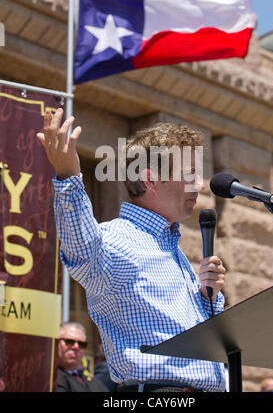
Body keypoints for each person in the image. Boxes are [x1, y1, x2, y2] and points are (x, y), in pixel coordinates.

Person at [37, 108, 227, 393]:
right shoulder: (118, 241)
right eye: (190, 174)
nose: (200, 185)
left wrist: (204, 297)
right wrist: (69, 175)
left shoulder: (174, 252)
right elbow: (83, 252)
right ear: (150, 180)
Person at [56, 321, 108, 392]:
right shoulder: (51, 378)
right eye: (69, 342)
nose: (76, 347)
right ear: (56, 343)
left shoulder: (92, 382)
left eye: (81, 344)